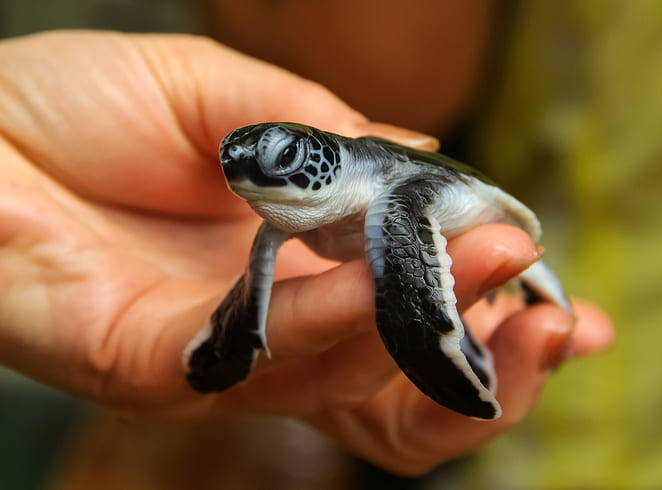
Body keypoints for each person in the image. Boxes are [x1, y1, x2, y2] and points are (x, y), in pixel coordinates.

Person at [0, 30, 612, 475]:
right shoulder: (278, 228)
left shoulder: (391, 192)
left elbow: (401, 242)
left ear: (324, 151)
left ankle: (527, 291)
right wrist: (231, 338)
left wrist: (426, 343)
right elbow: (256, 269)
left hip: (449, 197)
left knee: (478, 252)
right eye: (238, 169)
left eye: (287, 157)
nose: (258, 175)